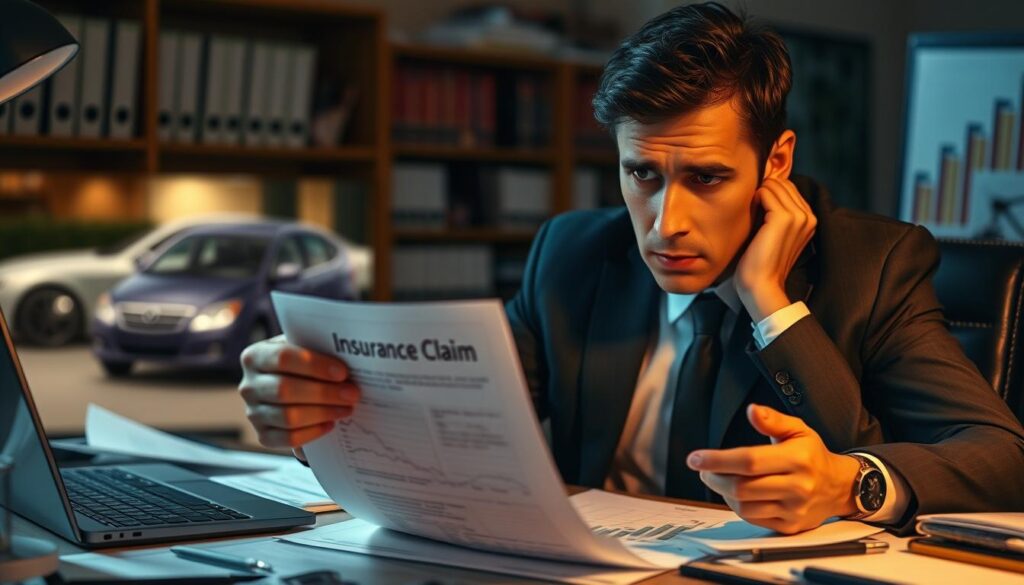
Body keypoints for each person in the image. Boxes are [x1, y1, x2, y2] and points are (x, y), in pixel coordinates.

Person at [237, 2, 1024, 535]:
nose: (666, 221)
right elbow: (455, 422)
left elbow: (1004, 456)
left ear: (776, 162)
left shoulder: (874, 265)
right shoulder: (573, 255)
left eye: (706, 178)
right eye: (642, 173)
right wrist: (321, 418)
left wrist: (772, 310)